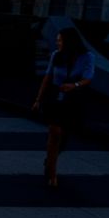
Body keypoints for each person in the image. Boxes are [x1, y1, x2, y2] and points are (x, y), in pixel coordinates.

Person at [31, 27, 94, 188]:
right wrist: (38, 99)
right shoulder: (56, 56)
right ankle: (52, 173)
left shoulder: (87, 57)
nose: (57, 42)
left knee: (64, 136)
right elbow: (47, 77)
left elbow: (88, 78)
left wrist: (74, 85)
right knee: (55, 133)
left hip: (73, 100)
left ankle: (50, 159)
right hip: (55, 98)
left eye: (60, 40)